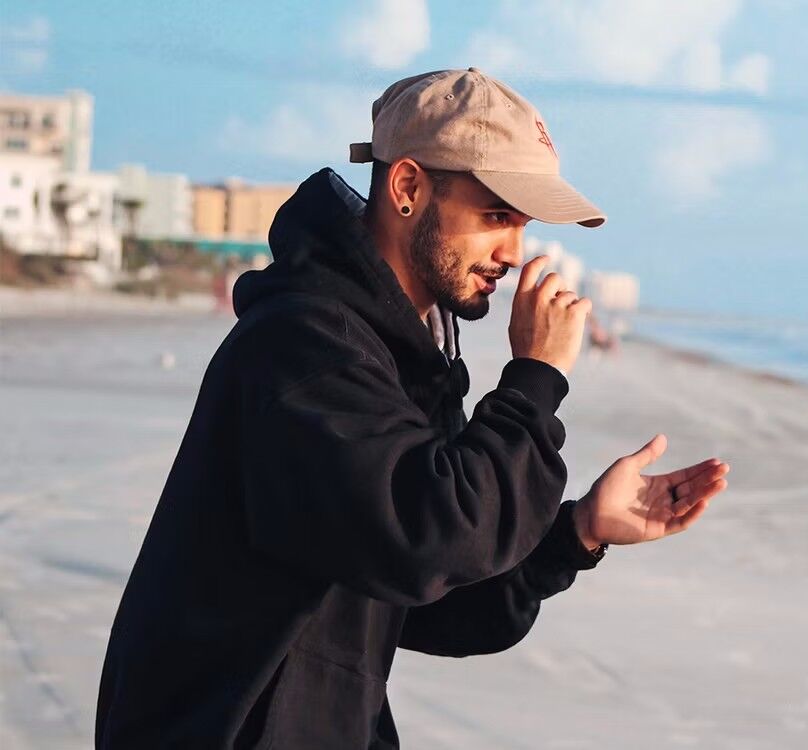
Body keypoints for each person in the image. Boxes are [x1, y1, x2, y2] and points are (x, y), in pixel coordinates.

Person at [96, 68, 730, 748]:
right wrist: (535, 380)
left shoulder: (400, 358)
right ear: (406, 188)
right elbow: (430, 538)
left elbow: (438, 600)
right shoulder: (307, 347)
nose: (514, 254)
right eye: (494, 216)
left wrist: (578, 532)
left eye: (521, 223)